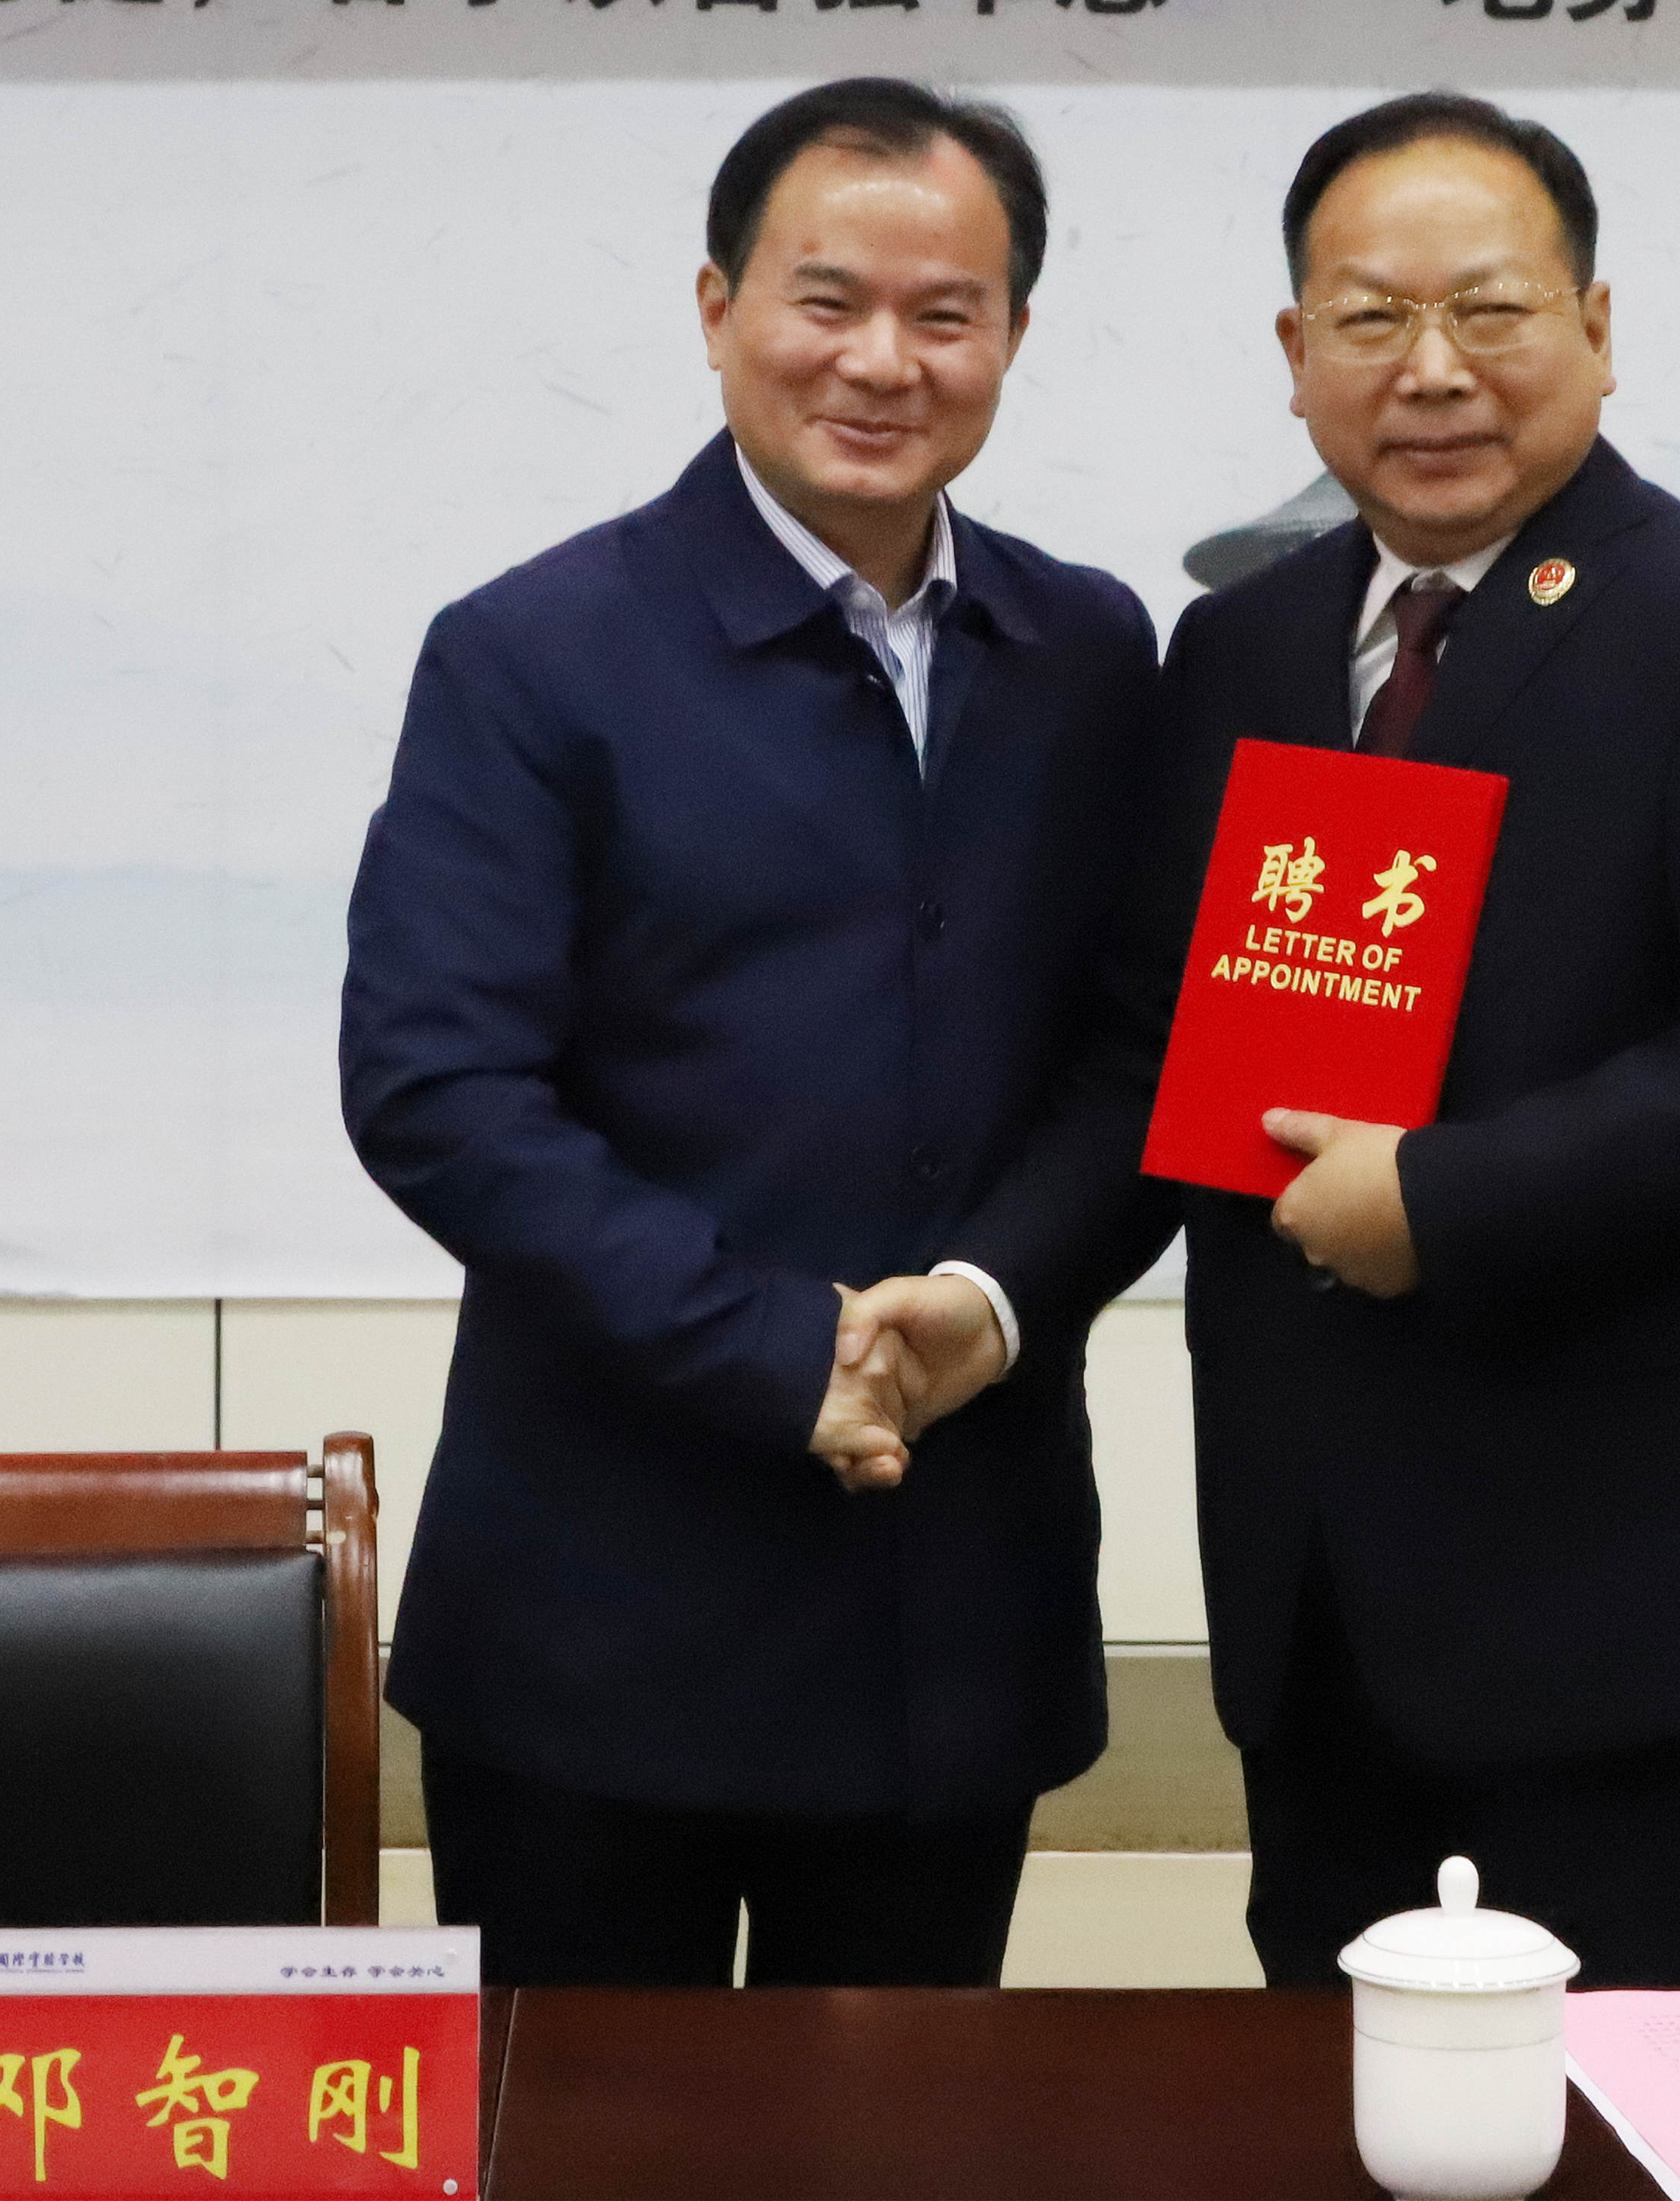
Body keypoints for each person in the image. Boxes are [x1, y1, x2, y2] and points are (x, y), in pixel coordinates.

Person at [871, 91, 1680, 1988]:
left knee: (1627, 2115)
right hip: (1318, 1605)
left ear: (1597, 327)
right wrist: (993, 1290)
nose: (1431, 372)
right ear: (1296, 355)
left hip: (1621, 1616)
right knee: (1330, 2101)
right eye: (1369, 319)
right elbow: (1158, 1052)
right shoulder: (1245, 651)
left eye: (1489, 311)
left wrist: (1447, 1193)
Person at [338, 77, 1161, 1989]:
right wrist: (777, 1346)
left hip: (955, 1590)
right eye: (826, 300)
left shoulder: (1089, 652)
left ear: (1013, 335)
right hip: (599, 1603)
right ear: (717, 307)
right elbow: (439, 1088)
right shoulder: (536, 650)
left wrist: (991, 1297)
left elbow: (1142, 1052)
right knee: (580, 2125)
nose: (882, 361)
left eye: (945, 313)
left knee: (905, 2121)